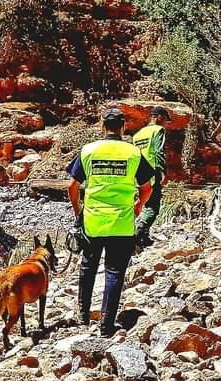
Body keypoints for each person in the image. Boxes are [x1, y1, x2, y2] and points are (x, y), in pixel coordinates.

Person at [67, 108, 154, 337]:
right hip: (122, 223)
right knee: (114, 272)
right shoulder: (133, 152)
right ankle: (106, 326)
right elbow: (147, 187)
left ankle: (83, 315)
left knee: (88, 265)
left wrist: (79, 212)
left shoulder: (89, 150)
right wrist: (138, 206)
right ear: (123, 127)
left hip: (93, 221)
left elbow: (72, 186)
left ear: (102, 126)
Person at [132, 106, 169, 248]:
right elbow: (158, 152)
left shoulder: (138, 134)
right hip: (152, 172)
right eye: (165, 120)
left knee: (143, 203)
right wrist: (163, 172)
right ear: (159, 117)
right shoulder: (158, 130)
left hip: (137, 174)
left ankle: (144, 238)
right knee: (153, 207)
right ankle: (138, 233)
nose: (166, 123)